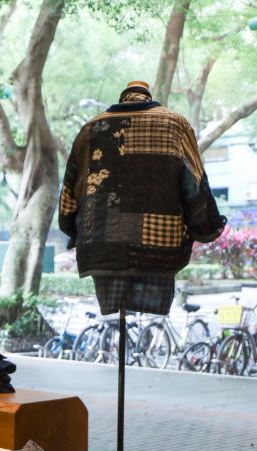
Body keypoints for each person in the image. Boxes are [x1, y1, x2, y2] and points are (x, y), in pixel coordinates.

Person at [57, 80, 225, 316]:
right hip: (160, 248)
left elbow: (68, 195)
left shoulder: (89, 129)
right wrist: (205, 227)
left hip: (102, 250)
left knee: (117, 313)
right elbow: (194, 184)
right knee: (146, 315)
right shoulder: (175, 124)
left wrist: (72, 229)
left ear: (124, 97)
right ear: (147, 96)